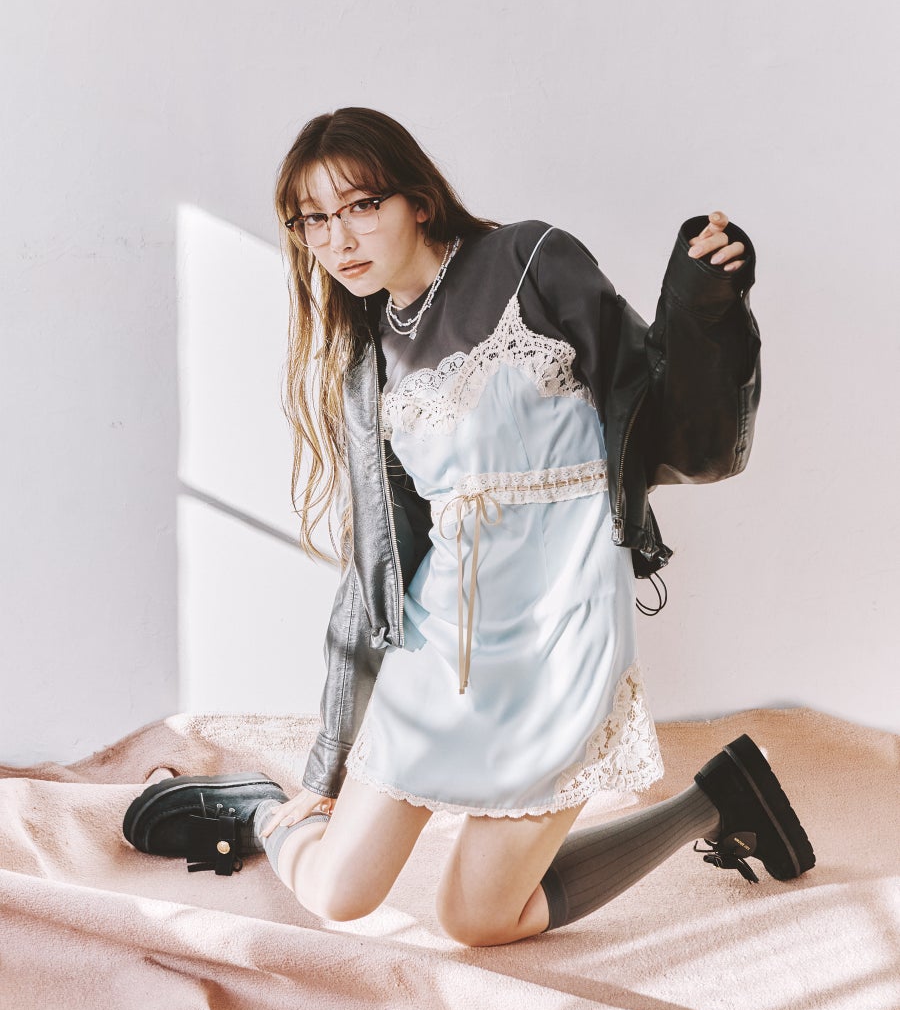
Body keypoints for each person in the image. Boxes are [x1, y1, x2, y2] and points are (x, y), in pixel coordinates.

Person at [122, 107, 814, 945]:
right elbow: (381, 562)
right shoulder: (365, 357)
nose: (338, 239)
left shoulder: (532, 262)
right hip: (439, 640)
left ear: (418, 200)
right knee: (339, 895)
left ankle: (712, 803)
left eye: (360, 206)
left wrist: (704, 303)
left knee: (477, 918)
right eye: (313, 220)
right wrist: (324, 766)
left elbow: (668, 421)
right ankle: (266, 814)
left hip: (564, 635)